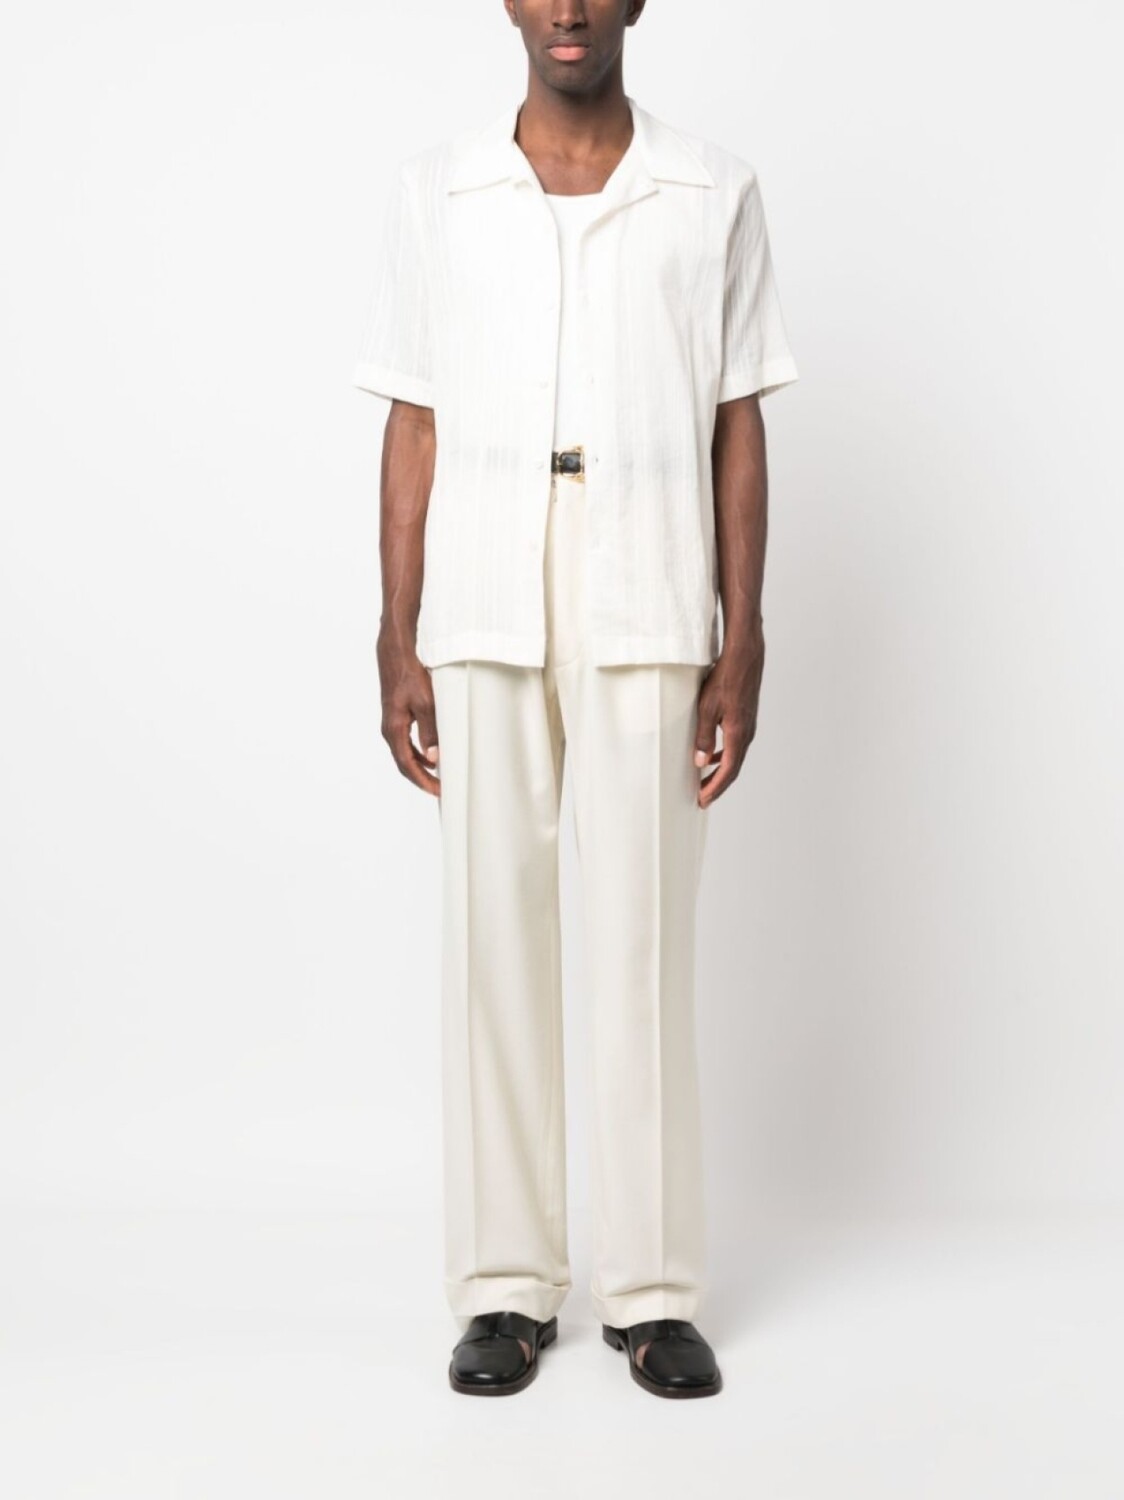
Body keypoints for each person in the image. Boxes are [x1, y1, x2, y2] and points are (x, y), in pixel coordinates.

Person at [352, 0, 798, 1400]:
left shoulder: (711, 189)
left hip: (651, 574)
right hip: (486, 578)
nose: (567, 8)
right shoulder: (440, 192)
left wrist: (743, 631)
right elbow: (414, 415)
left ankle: (653, 1292)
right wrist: (397, 628)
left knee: (643, 937)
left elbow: (737, 416)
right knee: (494, 933)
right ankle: (506, 1286)